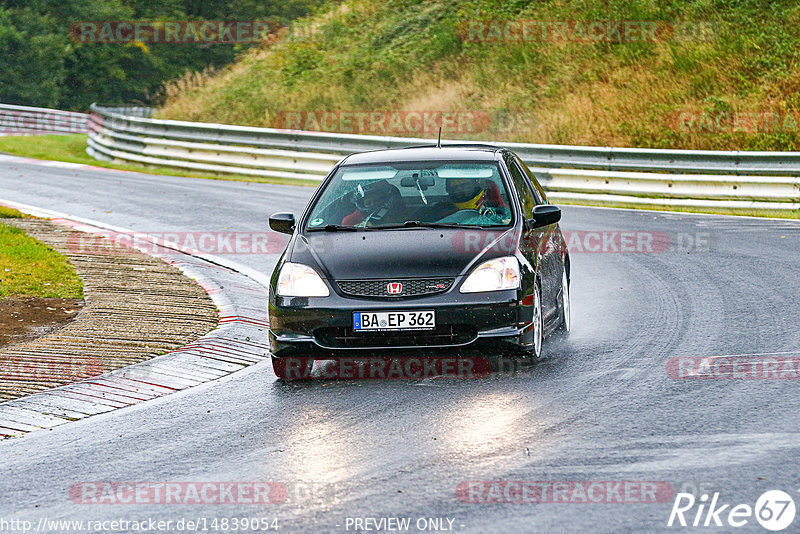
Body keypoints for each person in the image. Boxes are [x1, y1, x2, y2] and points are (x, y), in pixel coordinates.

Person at [341, 179, 405, 226]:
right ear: (361, 204)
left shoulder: (392, 214)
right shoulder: (350, 220)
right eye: (368, 203)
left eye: (377, 201)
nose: (373, 204)